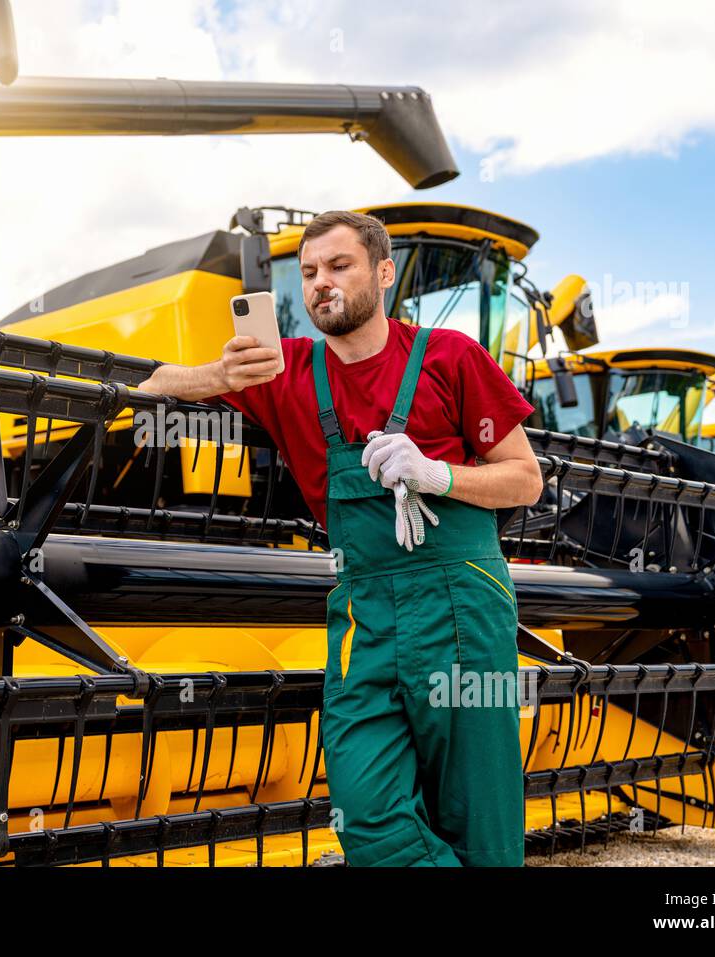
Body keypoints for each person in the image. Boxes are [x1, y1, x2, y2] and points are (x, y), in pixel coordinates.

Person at [136, 209, 543, 866]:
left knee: (480, 815)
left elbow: (525, 479)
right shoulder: (286, 369)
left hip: (462, 602)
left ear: (383, 273)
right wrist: (221, 376)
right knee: (366, 811)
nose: (321, 282)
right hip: (362, 613)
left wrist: (438, 473)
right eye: (309, 272)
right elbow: (148, 384)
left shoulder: (451, 357)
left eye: (339, 265)